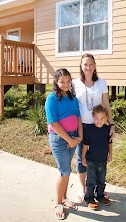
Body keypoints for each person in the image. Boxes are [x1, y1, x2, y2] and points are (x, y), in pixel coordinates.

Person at [72, 53, 115, 202]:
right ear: (81, 66)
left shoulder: (101, 82)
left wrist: (111, 124)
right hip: (82, 126)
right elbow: (71, 106)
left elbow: (106, 105)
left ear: (95, 66)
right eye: (85, 64)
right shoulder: (74, 83)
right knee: (81, 157)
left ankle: (99, 189)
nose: (88, 67)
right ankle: (82, 188)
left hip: (99, 125)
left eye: (91, 64)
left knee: (98, 157)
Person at [45, 68, 83, 220]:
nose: (66, 84)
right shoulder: (52, 98)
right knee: (64, 171)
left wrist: (79, 136)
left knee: (67, 170)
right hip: (59, 139)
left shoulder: (73, 98)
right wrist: (70, 140)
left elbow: (78, 117)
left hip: (73, 137)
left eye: (68, 81)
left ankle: (65, 197)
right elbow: (53, 123)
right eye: (62, 81)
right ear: (56, 82)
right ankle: (58, 203)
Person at [82, 104, 112, 210]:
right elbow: (86, 144)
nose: (99, 121)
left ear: (106, 118)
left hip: (103, 160)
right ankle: (89, 198)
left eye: (102, 118)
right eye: (97, 118)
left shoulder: (107, 129)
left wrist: (110, 155)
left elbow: (109, 143)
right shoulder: (89, 129)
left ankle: (100, 196)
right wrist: (83, 157)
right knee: (91, 181)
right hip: (91, 161)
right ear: (93, 117)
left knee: (101, 180)